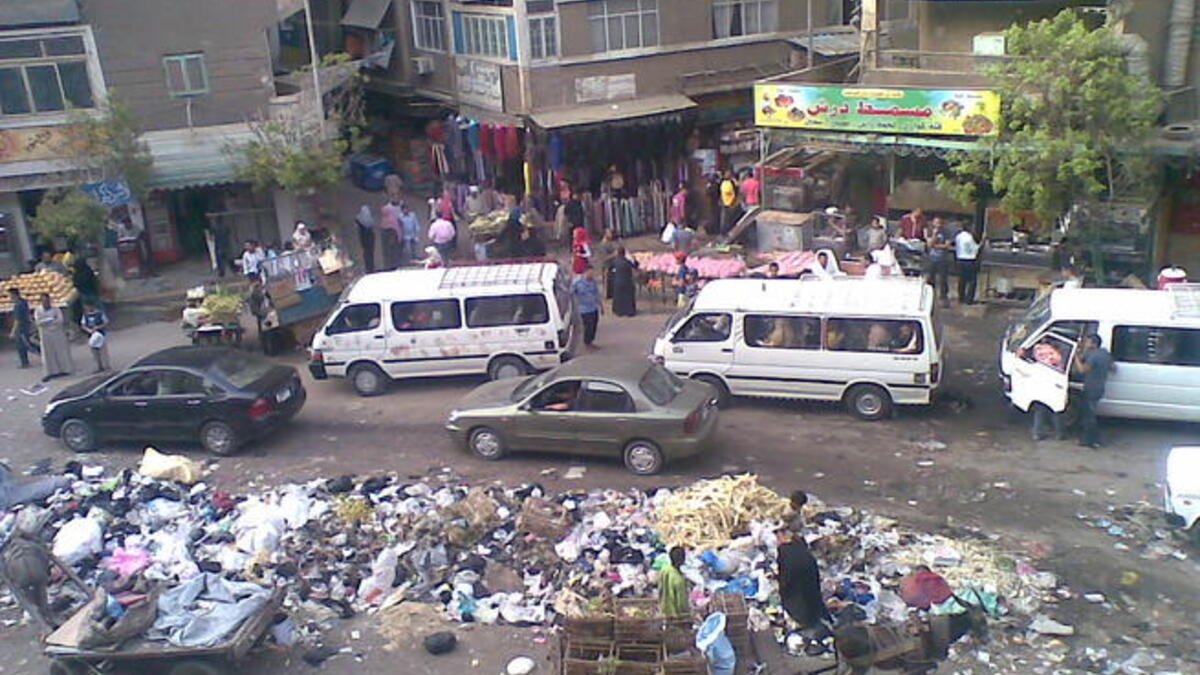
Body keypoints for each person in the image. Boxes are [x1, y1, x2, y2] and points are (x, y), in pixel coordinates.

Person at [777, 528, 832, 649]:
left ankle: (806, 623)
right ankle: (813, 620)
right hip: (810, 581)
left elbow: (786, 577)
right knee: (810, 597)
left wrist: (781, 588)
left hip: (797, 592)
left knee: (799, 602)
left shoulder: (784, 551)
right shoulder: (801, 547)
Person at [1075, 333, 1114, 449]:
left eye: (1087, 342)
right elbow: (1113, 368)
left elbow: (1082, 370)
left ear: (1093, 343)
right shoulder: (1105, 353)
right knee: (1090, 414)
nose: (1086, 344)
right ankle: (1091, 439)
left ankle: (1092, 440)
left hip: (1091, 388)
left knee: (1089, 416)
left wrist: (1075, 357)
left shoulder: (1094, 356)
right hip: (1100, 387)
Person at [34, 293, 72, 380]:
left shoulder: (56, 309)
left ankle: (64, 369)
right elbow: (38, 322)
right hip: (45, 335)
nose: (46, 303)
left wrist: (50, 322)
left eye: (47, 301)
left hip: (57, 334)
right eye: (44, 301)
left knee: (60, 351)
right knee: (48, 354)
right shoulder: (38, 311)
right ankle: (51, 372)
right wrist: (50, 320)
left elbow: (60, 320)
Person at [923, 217, 953, 307]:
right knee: (930, 278)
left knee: (943, 279)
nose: (938, 225)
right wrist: (934, 235)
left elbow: (947, 245)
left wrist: (936, 245)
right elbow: (929, 244)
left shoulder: (946, 232)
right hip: (932, 258)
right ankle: (930, 297)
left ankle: (943, 297)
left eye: (939, 223)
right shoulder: (930, 231)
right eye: (936, 223)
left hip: (942, 258)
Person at [573, 266, 602, 348]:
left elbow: (596, 294)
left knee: (594, 326)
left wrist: (601, 306)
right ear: (584, 273)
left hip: (593, 307)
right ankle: (587, 342)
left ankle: (591, 341)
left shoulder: (593, 282)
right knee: (588, 326)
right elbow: (571, 294)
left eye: (592, 273)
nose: (591, 275)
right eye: (589, 273)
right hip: (584, 309)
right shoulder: (577, 282)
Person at [658, 546, 690, 618]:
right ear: (682, 560)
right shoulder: (679, 580)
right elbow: (681, 602)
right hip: (675, 614)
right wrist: (687, 615)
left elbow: (660, 588)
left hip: (664, 609)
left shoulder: (665, 569)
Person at [80, 301, 110, 372]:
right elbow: (83, 325)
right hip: (91, 335)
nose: (89, 308)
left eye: (90, 306)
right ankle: (98, 366)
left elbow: (105, 322)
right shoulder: (85, 315)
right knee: (94, 352)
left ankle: (106, 366)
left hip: (100, 335)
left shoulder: (99, 313)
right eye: (87, 306)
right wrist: (88, 330)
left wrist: (98, 327)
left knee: (102, 351)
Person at [7, 288, 34, 368]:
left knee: (22, 346)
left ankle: (25, 363)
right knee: (27, 344)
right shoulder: (23, 301)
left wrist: (12, 332)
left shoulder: (18, 305)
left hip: (21, 329)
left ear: (14, 295)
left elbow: (17, 320)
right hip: (26, 326)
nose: (9, 297)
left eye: (10, 295)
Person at [954, 225, 981, 305]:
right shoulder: (970, 237)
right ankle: (969, 299)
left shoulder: (958, 236)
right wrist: (981, 244)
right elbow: (974, 249)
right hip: (969, 260)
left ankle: (961, 297)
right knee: (972, 281)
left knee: (961, 280)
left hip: (960, 259)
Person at [610, 246, 638, 317]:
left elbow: (610, 268)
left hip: (618, 281)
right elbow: (635, 265)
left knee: (619, 297)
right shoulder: (627, 261)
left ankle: (619, 311)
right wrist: (633, 259)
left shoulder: (615, 261)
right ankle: (629, 311)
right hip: (627, 281)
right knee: (628, 297)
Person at [378, 198, 404, 270]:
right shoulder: (393, 219)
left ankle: (388, 265)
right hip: (394, 235)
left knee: (387, 251)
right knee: (394, 250)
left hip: (388, 236)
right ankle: (394, 265)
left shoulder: (383, 222)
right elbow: (398, 229)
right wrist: (400, 237)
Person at [355, 205, 376, 273]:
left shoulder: (359, 219)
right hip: (369, 238)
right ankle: (371, 266)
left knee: (367, 253)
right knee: (370, 253)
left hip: (364, 238)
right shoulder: (369, 220)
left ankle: (368, 267)